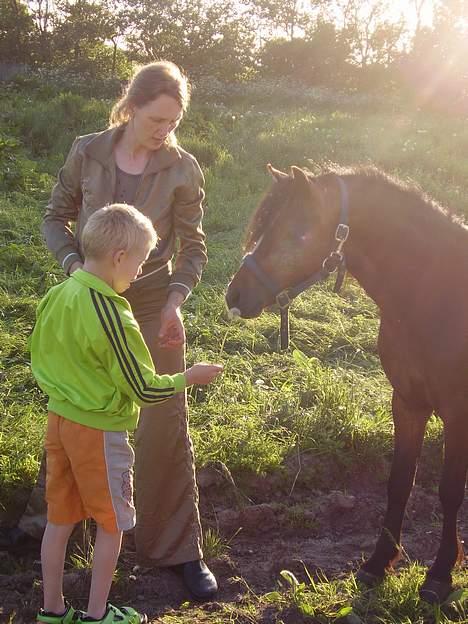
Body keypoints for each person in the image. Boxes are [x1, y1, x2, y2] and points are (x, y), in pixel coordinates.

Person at [0, 61, 218, 599]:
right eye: (156, 118)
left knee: (164, 420)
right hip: (89, 301)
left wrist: (175, 302)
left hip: (150, 305)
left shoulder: (183, 168)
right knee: (77, 408)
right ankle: (50, 525)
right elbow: (55, 217)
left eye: (173, 121)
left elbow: (194, 248)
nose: (164, 129)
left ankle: (178, 550)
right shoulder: (88, 150)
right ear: (132, 106)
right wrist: (76, 270)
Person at [33, 203, 223, 624]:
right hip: (98, 432)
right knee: (112, 523)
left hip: (59, 421)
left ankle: (52, 610)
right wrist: (186, 378)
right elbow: (142, 387)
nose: (139, 272)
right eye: (139, 262)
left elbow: (38, 355)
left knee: (59, 519)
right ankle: (99, 615)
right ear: (119, 257)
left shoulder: (58, 294)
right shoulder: (114, 312)